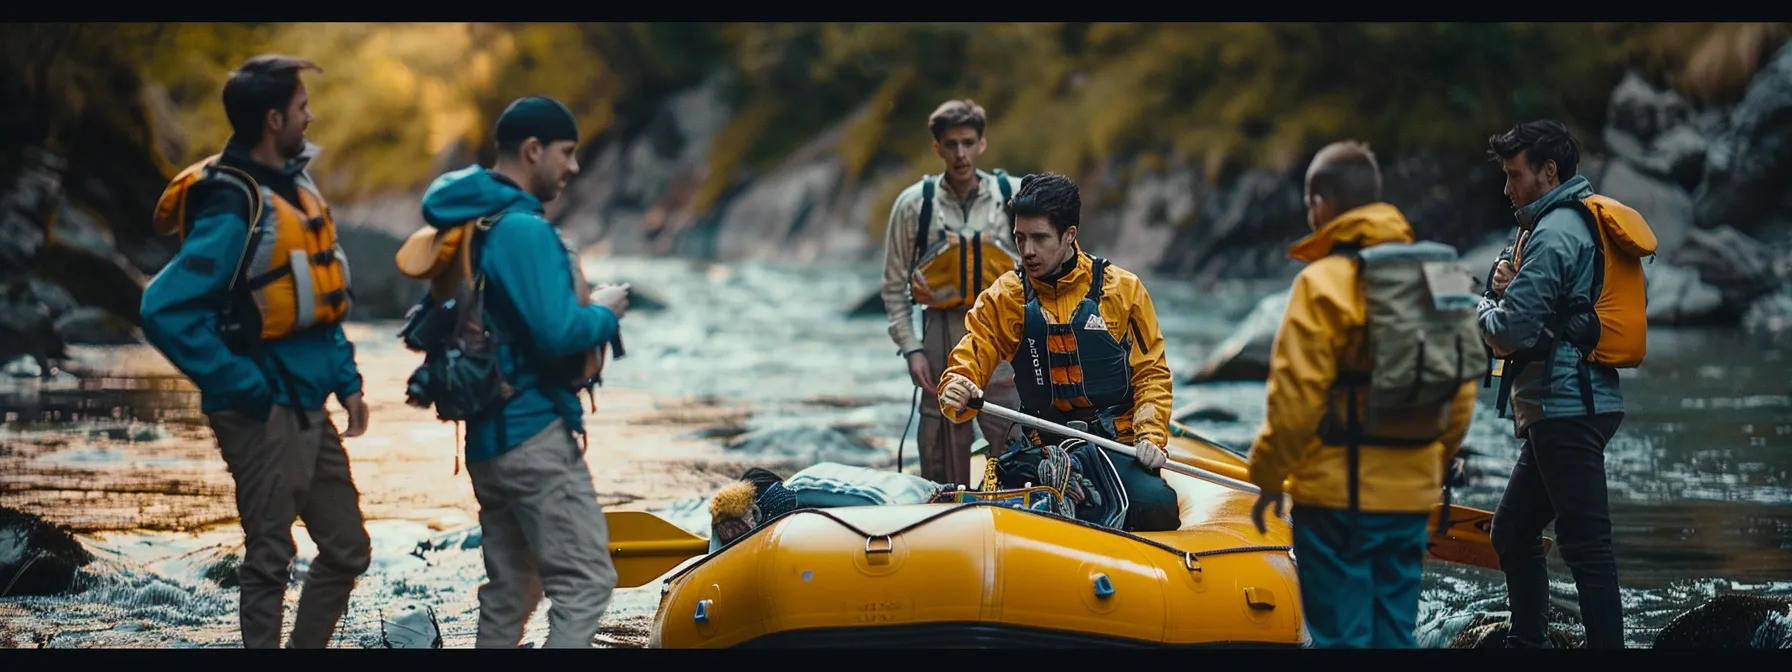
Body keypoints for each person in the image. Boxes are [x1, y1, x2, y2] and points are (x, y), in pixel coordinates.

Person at [141, 53, 372, 649]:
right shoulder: (232, 202)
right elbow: (162, 309)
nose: (310, 117)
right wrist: (244, 386)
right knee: (271, 556)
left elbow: (318, 303)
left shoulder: (295, 186)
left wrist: (347, 381)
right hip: (260, 409)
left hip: (307, 403)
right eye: (301, 108)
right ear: (274, 119)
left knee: (347, 549)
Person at [410, 95, 631, 648]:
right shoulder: (524, 230)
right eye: (568, 152)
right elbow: (558, 332)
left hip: (488, 441)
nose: (574, 167)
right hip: (532, 436)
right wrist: (605, 311)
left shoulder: (478, 223)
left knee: (512, 588)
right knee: (586, 581)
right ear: (533, 150)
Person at [1243, 141, 1481, 649]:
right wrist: (1430, 463)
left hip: (1335, 500)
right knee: (1395, 634)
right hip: (1412, 497)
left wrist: (1265, 477)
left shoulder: (1321, 284)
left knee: (1342, 639)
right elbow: (1461, 393)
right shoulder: (1442, 277)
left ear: (1320, 205)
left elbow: (1294, 404)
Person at [936, 172, 1181, 533]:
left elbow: (1151, 374)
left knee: (1157, 508)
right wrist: (957, 385)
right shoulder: (1006, 296)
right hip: (1043, 448)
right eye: (1020, 238)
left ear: (1069, 235)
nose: (1028, 250)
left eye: (1040, 238)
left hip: (1115, 444)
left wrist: (1150, 436)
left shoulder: (1123, 290)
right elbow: (972, 351)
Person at [1481, 120, 1642, 650]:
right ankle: (1530, 642)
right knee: (1511, 532)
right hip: (1562, 406)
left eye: (1514, 175)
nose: (1507, 188)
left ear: (1549, 171)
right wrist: (1502, 284)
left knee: (1586, 547)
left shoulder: (1555, 231)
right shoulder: (1548, 224)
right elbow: (1519, 289)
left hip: (1568, 407)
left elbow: (1507, 332)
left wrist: (1477, 307)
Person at [880, 99, 1025, 488]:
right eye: (951, 144)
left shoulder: (1015, 196)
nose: (960, 153)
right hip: (940, 330)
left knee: (1011, 430)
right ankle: (946, 506)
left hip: (1004, 332)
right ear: (937, 148)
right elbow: (894, 286)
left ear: (981, 144)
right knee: (942, 441)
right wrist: (912, 349)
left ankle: (1016, 503)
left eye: (967, 142)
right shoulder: (914, 206)